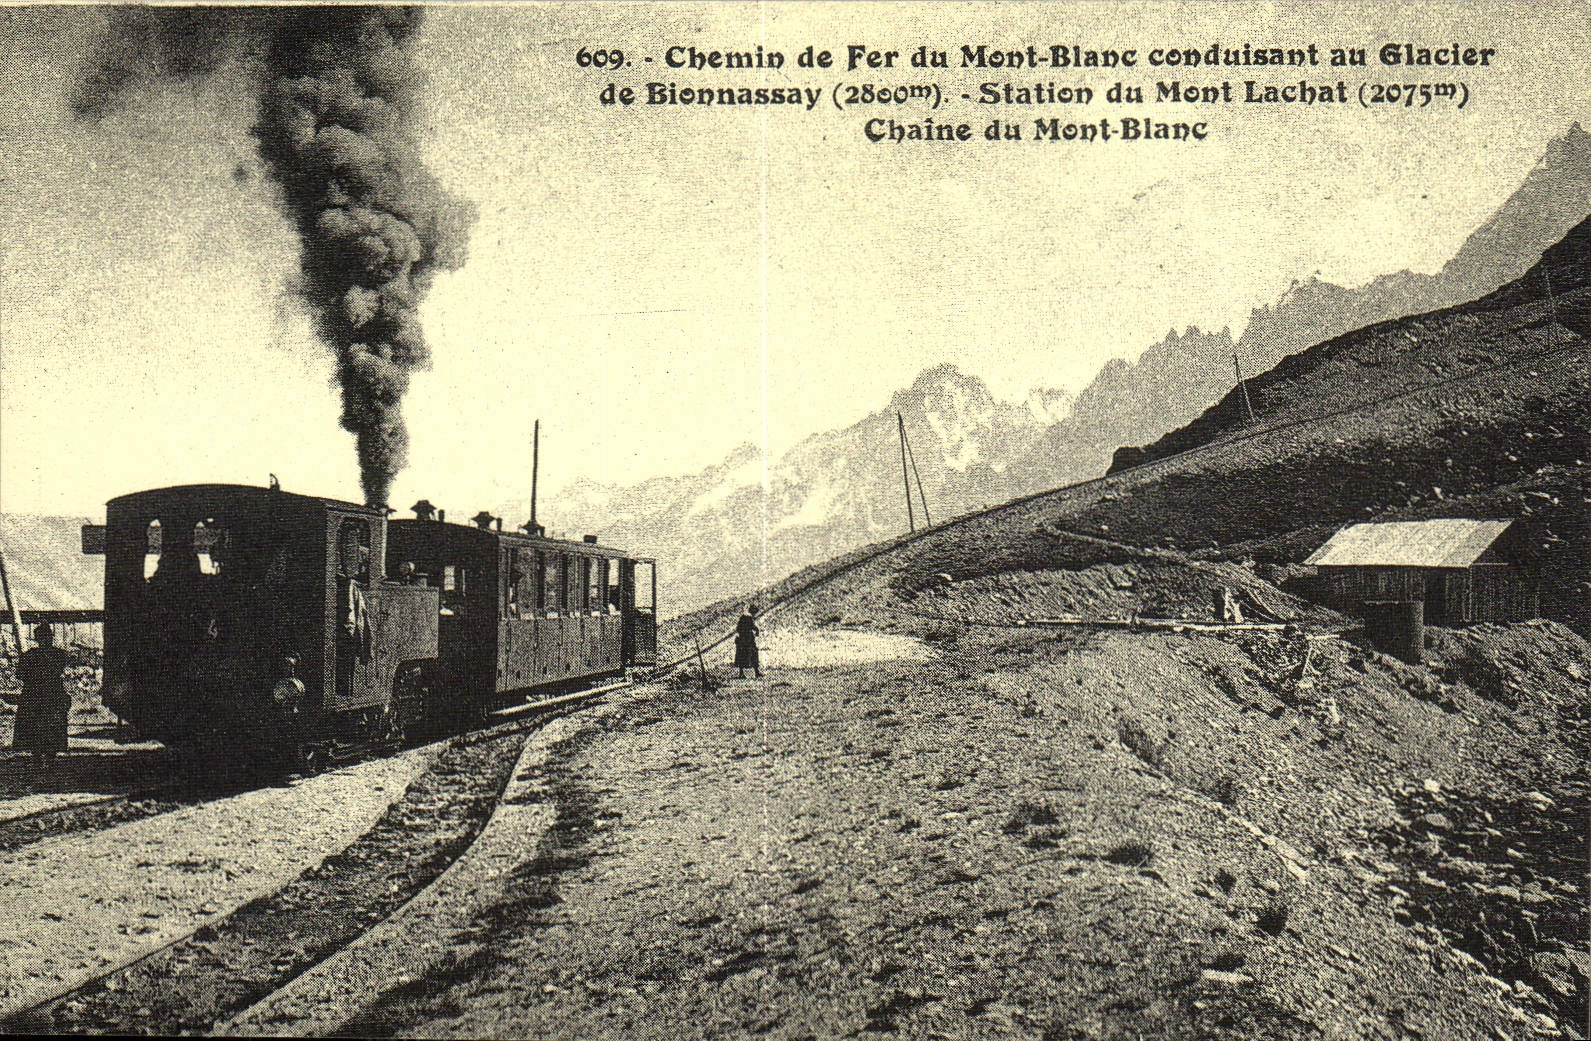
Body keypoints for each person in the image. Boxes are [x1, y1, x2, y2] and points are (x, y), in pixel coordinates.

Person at [14, 624, 69, 756]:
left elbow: (20, 675)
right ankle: (47, 758)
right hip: (51, 695)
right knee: (49, 727)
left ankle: (39, 758)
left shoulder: (29, 655)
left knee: (38, 727)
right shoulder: (59, 654)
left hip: (35, 696)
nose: (45, 640)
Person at [734, 604, 762, 679]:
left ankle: (742, 673)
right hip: (748, 639)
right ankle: (756, 672)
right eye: (754, 613)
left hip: (743, 639)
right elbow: (752, 626)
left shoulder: (744, 617)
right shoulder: (748, 617)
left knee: (742, 655)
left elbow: (738, 628)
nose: (754, 615)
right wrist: (756, 630)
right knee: (753, 654)